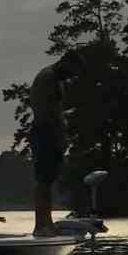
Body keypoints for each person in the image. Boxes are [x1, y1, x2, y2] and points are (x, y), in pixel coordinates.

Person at [29, 50, 83, 236]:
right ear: (66, 62)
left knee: (48, 180)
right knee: (43, 180)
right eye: (74, 71)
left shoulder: (57, 79)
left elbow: (58, 112)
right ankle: (41, 225)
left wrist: (63, 135)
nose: (74, 76)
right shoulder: (48, 77)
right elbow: (48, 113)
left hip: (50, 133)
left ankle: (46, 222)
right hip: (44, 133)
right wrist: (58, 137)